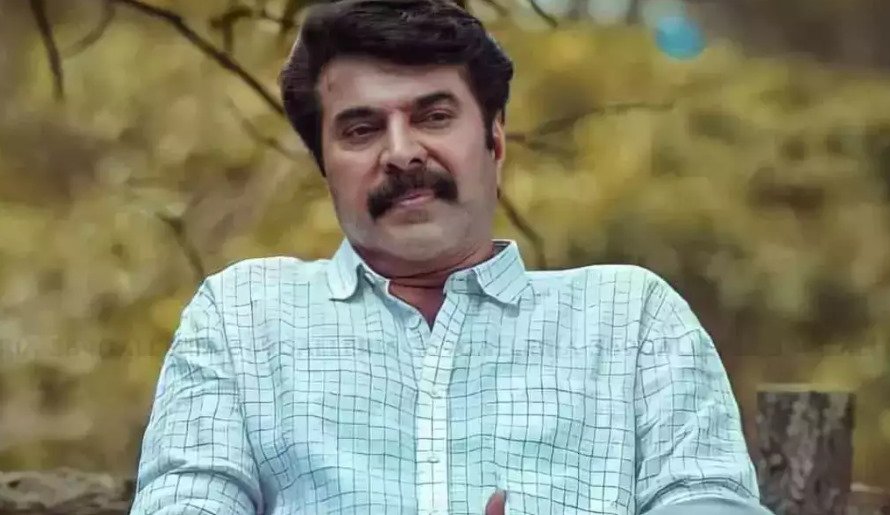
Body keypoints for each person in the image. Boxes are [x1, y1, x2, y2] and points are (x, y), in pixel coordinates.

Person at [130, 1, 775, 514]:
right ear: (325, 165)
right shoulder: (243, 318)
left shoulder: (632, 320)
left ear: (495, 140)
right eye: (361, 129)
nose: (402, 153)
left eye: (434, 116)